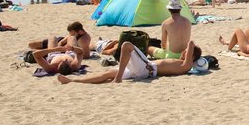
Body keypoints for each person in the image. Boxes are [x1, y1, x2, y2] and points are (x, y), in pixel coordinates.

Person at [59, 41, 200, 84]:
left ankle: (118, 79)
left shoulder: (185, 66)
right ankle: (73, 81)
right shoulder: (181, 63)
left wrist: (191, 49)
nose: (183, 51)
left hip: (147, 68)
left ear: (191, 56)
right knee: (107, 73)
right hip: (143, 70)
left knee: (127, 45)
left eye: (186, 51)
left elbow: (191, 43)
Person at [27, 21, 92, 57]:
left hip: (66, 48)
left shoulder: (84, 40)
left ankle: (44, 51)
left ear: (80, 32)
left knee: (34, 51)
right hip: (60, 43)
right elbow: (62, 42)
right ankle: (45, 50)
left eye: (72, 33)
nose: (70, 35)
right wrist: (56, 48)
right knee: (31, 45)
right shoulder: (73, 34)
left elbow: (86, 55)